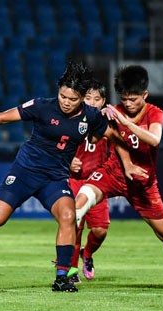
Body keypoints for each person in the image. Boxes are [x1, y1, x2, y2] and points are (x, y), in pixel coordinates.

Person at [0, 62, 120, 292]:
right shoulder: (41, 106)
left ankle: (62, 277)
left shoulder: (91, 116)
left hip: (55, 178)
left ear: (81, 98)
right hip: (25, 171)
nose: (66, 102)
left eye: (72, 99)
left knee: (69, 216)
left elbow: (103, 134)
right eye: (62, 96)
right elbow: (2, 118)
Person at [74, 65, 163, 291]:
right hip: (113, 173)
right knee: (78, 204)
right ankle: (66, 270)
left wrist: (126, 123)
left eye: (133, 99)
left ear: (144, 95)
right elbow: (107, 139)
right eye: (124, 99)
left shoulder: (154, 113)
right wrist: (96, 122)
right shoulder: (114, 111)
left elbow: (154, 139)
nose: (128, 104)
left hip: (143, 184)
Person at [66, 79, 110, 282]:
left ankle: (88, 253)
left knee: (100, 230)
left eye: (97, 98)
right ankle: (71, 269)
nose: (92, 102)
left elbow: (117, 152)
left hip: (96, 183)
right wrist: (67, 161)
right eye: (88, 97)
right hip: (73, 181)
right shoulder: (71, 119)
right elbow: (54, 147)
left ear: (103, 102)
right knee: (74, 227)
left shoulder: (108, 123)